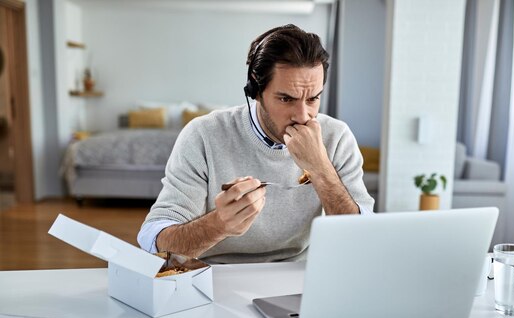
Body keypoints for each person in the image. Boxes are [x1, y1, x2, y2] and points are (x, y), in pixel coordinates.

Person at [138, 24, 374, 263]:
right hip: (214, 277)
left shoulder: (337, 137)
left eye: (313, 98)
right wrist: (218, 224)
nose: (303, 116)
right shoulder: (203, 135)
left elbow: (363, 241)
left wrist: (321, 169)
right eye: (286, 99)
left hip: (298, 277)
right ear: (256, 88)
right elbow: (153, 243)